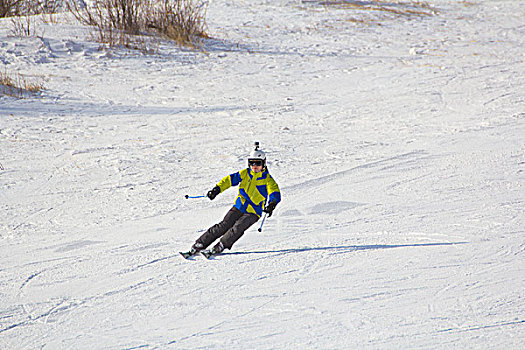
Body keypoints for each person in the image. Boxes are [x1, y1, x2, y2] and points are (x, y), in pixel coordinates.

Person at [189, 143, 281, 256]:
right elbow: (229, 180)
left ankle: (222, 244)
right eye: (252, 163)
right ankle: (200, 243)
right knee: (223, 225)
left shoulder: (267, 179)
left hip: (253, 211)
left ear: (264, 164)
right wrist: (217, 189)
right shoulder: (245, 173)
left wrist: (271, 204)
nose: (254, 166)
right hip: (239, 206)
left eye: (258, 163)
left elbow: (275, 192)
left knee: (237, 228)